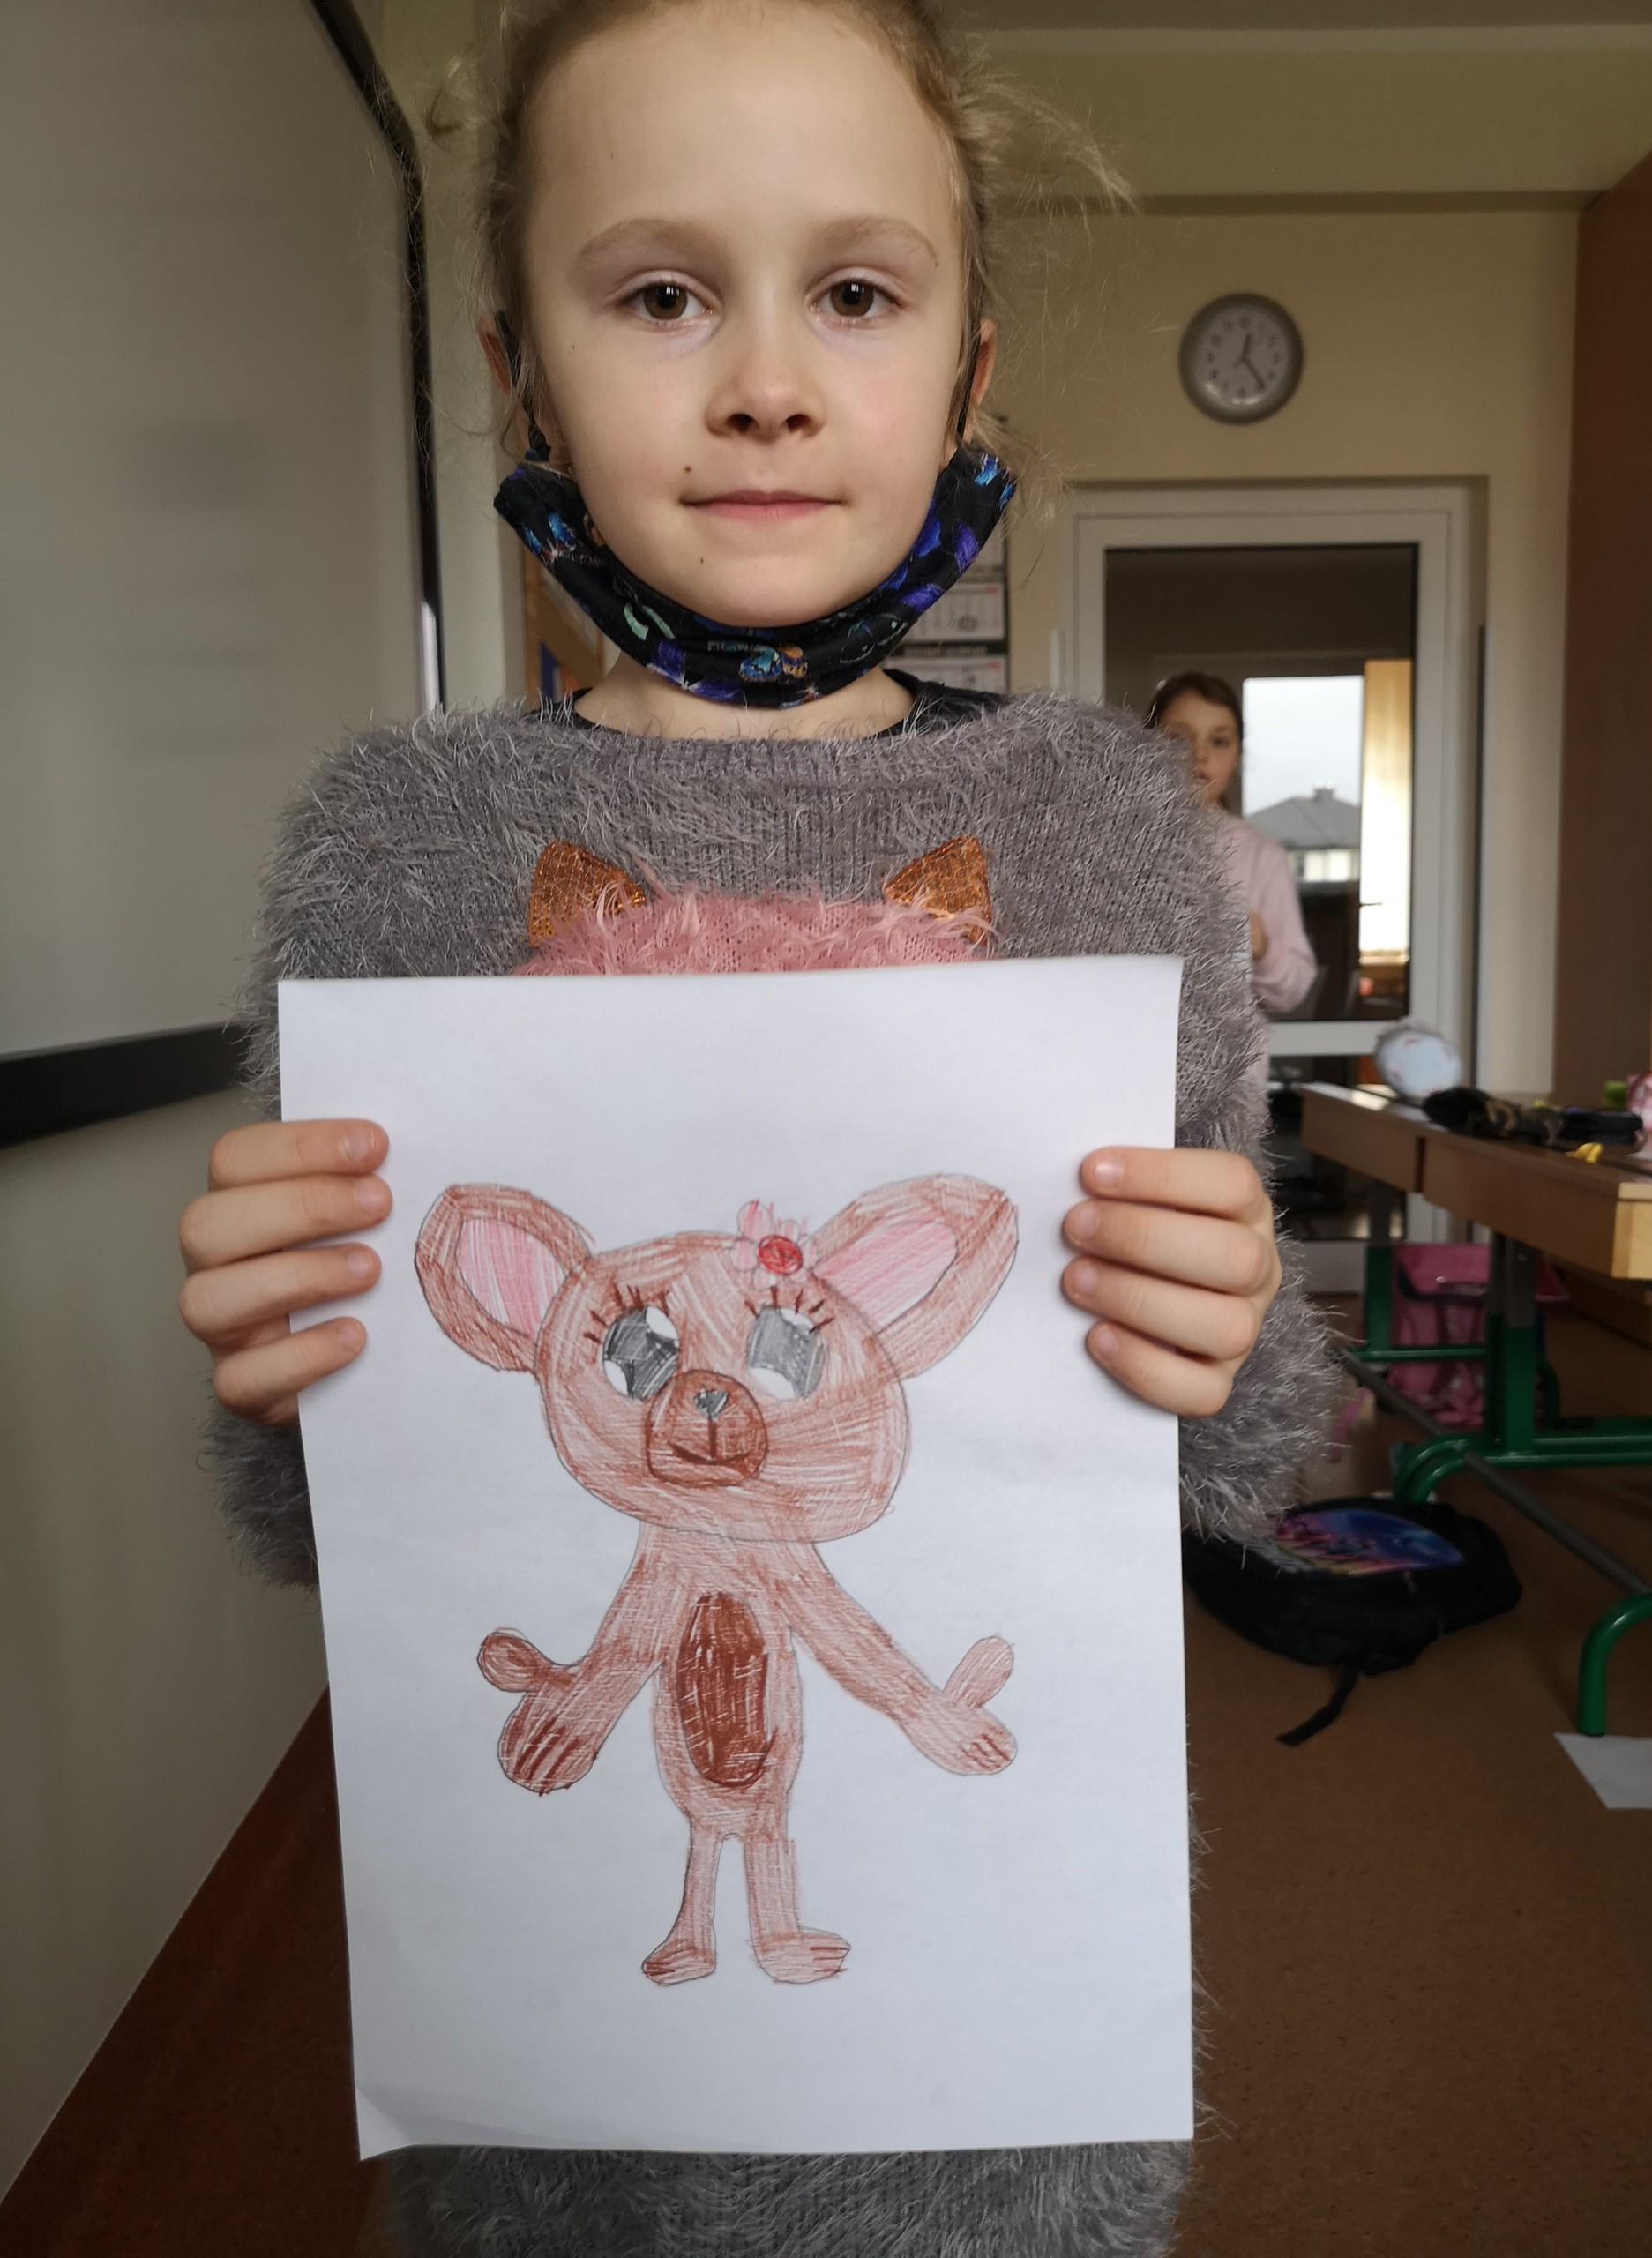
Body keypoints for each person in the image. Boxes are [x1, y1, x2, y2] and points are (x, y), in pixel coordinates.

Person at [175, 4, 1333, 2252]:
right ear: (519, 368)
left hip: (1002, 2070)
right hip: (552, 2096)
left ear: (969, 369)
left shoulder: (1102, 825)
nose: (768, 383)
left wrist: (1233, 1322)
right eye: (662, 292)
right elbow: (326, 1519)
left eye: (858, 290)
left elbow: (1241, 1463)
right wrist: (273, 1348)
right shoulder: (400, 845)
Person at [1146, 671, 1318, 1017]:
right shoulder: (1119, 844)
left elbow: (1295, 988)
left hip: (1229, 1050)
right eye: (1178, 739)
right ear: (1146, 746)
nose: (1198, 755)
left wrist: (1263, 947)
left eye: (1219, 741)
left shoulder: (1261, 856)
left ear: (1238, 754)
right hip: (1137, 1042)